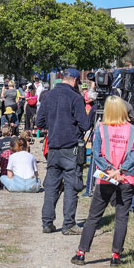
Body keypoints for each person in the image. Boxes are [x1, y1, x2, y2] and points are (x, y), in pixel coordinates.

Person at [72, 96, 134, 266]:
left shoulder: (101, 129)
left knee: (94, 216)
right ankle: (115, 256)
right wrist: (121, 170)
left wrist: (110, 170)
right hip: (126, 178)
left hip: (105, 178)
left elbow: (97, 153)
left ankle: (81, 253)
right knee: (121, 217)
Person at [35, 68, 90, 235]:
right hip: (70, 147)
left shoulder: (49, 95)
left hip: (53, 147)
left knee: (51, 186)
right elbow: (85, 125)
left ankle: (47, 223)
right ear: (74, 80)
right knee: (71, 186)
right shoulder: (75, 97)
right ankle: (68, 224)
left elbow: (39, 121)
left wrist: (54, 125)